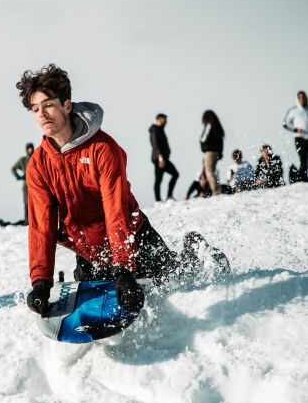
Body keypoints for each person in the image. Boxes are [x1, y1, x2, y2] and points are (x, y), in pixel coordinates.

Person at [16, 65, 228, 317]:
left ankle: (194, 252)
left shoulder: (103, 149)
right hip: (91, 253)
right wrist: (41, 282)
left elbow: (115, 211)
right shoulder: (38, 165)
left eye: (48, 105)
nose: (42, 114)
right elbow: (42, 225)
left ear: (67, 105)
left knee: (177, 280)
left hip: (134, 238)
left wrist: (124, 269)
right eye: (35, 109)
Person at [149, 113, 179, 201]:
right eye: (164, 120)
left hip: (163, 158)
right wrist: (160, 157)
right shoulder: (155, 129)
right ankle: (158, 200)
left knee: (175, 174)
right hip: (159, 158)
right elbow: (155, 144)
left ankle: (169, 196)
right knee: (158, 179)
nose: (166, 122)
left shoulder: (161, 129)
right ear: (159, 119)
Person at [283, 90, 308, 182]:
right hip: (299, 138)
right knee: (303, 158)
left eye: (304, 97)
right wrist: (295, 129)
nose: (302, 99)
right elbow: (285, 124)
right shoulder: (293, 111)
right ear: (298, 99)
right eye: (300, 98)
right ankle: (303, 179)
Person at [200, 110, 224, 196]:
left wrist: (203, 148)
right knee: (212, 171)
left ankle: (216, 190)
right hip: (216, 152)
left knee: (208, 171)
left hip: (209, 152)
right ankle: (215, 189)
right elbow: (221, 141)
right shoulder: (217, 127)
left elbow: (202, 139)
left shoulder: (209, 126)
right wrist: (220, 152)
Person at [11, 143, 35, 224]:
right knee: (26, 202)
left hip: (36, 185)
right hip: (26, 185)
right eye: (29, 148)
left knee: (37, 202)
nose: (30, 150)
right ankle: (27, 220)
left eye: (31, 148)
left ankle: (35, 219)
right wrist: (18, 176)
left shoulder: (36, 157)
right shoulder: (23, 160)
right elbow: (13, 168)